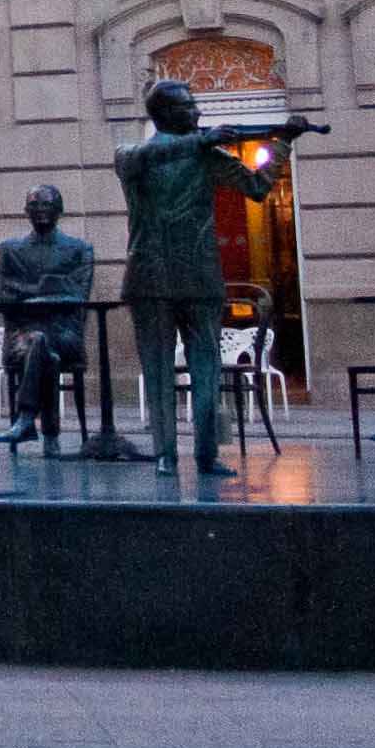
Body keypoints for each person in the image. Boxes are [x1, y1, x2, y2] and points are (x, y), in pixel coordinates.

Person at [118, 79, 315, 477]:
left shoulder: (207, 154)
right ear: (166, 113)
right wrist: (202, 141)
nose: (197, 113)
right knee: (157, 369)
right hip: (151, 278)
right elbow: (146, 156)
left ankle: (206, 455)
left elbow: (257, 188)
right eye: (189, 107)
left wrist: (283, 144)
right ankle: (165, 454)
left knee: (206, 367)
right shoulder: (133, 155)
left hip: (199, 277)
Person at [0, 185, 93, 452]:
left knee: (42, 342)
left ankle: (27, 418)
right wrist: (45, 291)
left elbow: (77, 298)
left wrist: (24, 294)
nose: (41, 211)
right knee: (43, 350)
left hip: (65, 334)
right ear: (26, 211)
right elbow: (1, 298)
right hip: (21, 336)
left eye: (47, 205)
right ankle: (47, 428)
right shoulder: (8, 250)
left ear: (59, 210)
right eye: (35, 206)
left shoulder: (79, 249)